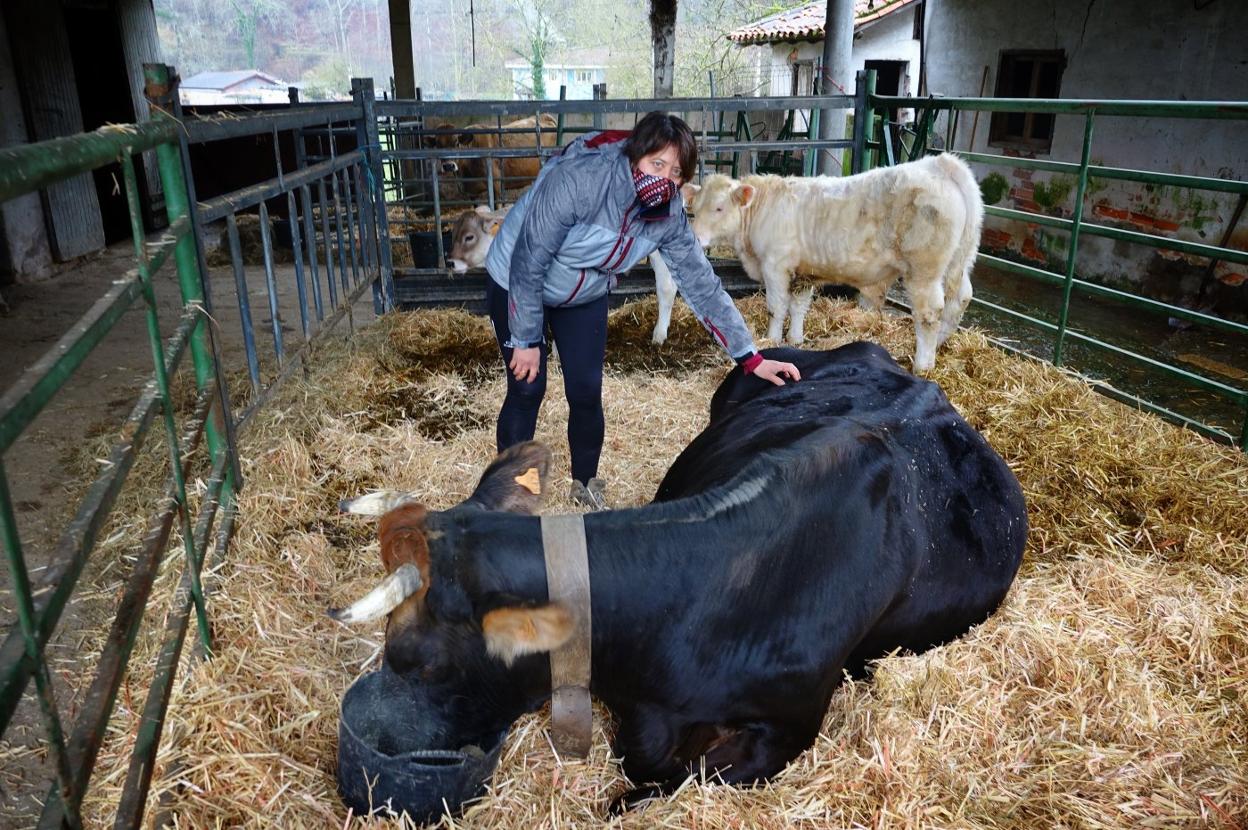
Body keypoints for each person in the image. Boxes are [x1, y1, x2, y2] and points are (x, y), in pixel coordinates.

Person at [483, 111, 801, 510]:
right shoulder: (581, 181)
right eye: (657, 164)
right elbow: (530, 258)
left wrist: (750, 357)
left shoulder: (666, 217)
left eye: (676, 171)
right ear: (635, 156)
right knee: (528, 387)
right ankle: (512, 502)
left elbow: (701, 284)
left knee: (585, 390)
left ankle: (586, 487)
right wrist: (528, 338)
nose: (665, 178)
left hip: (583, 292)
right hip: (517, 279)